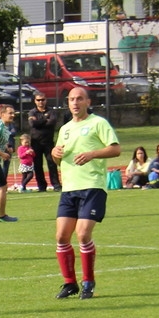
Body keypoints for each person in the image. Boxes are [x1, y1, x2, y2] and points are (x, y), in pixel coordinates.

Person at [51, 86, 121, 299]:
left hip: (92, 186)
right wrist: (55, 154)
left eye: (79, 99)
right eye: (72, 99)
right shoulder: (65, 129)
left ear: (88, 102)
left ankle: (88, 281)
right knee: (62, 236)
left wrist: (92, 154)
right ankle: (69, 283)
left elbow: (115, 149)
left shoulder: (98, 123)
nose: (75, 103)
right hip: (69, 189)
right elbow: (58, 158)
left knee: (82, 234)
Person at [27, 94, 63, 190]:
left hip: (48, 142)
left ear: (46, 100)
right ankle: (42, 186)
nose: (40, 102)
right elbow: (32, 124)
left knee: (52, 164)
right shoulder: (32, 112)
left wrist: (38, 121)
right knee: (38, 166)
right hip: (36, 142)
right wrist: (45, 120)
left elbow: (52, 122)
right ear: (35, 101)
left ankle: (56, 185)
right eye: (38, 100)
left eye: (42, 100)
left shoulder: (51, 111)